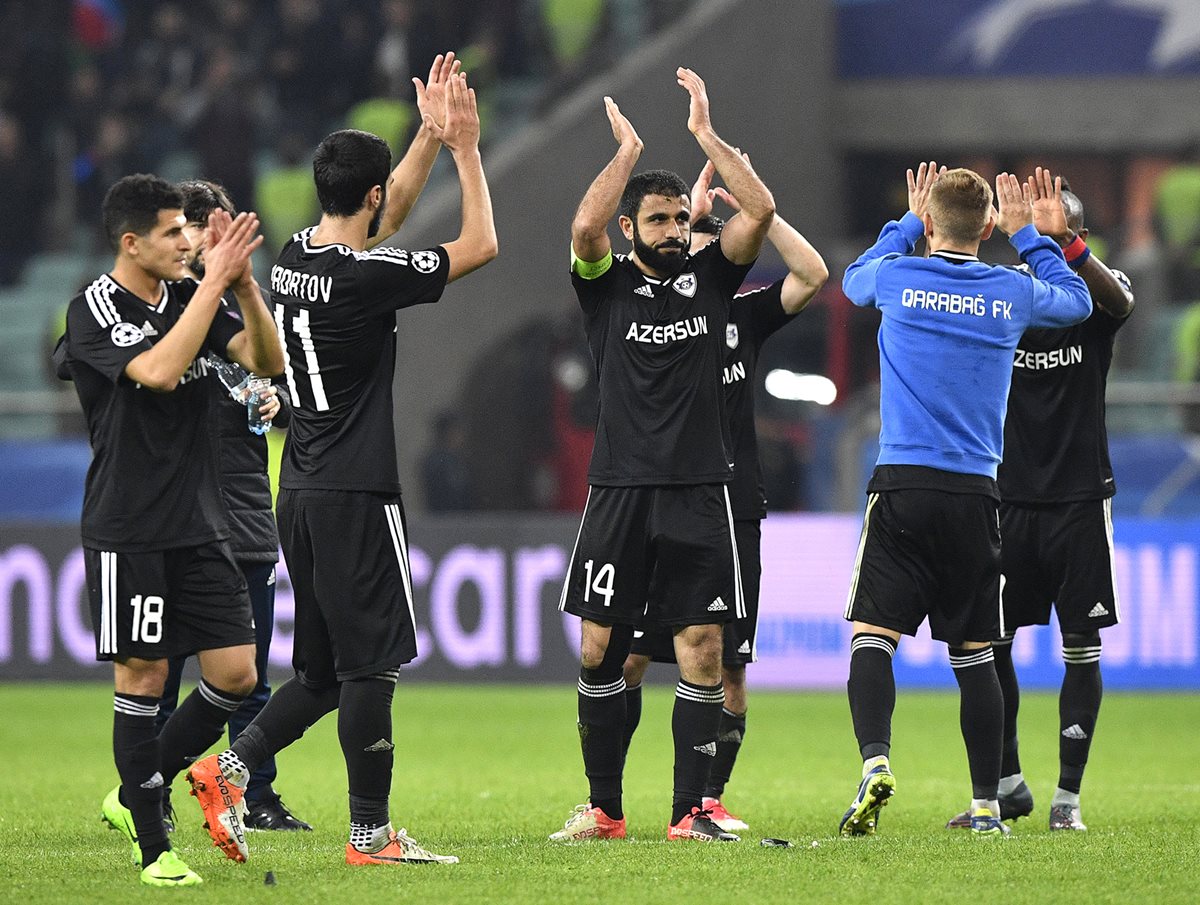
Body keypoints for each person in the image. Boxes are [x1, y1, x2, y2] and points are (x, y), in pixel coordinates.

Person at [185, 53, 497, 867]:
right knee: (374, 668)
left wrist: (423, 135)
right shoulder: (365, 277)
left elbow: (380, 215)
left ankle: (226, 771)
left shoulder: (293, 256)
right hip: (358, 491)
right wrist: (463, 145)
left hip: (303, 488)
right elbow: (481, 244)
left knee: (321, 676)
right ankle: (371, 834)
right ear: (365, 192)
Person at [549, 68, 775, 844]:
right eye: (658, 219)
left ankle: (690, 812)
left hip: (700, 493)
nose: (676, 230)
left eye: (681, 218)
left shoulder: (713, 280)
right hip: (618, 491)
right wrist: (629, 152)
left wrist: (710, 137)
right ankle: (605, 807)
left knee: (703, 647)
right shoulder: (603, 288)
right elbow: (581, 231)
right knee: (599, 645)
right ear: (631, 227)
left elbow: (763, 210)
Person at [839, 163, 1091, 838]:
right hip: (976, 492)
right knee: (976, 649)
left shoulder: (898, 277)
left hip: (901, 485)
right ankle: (986, 804)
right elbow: (1077, 302)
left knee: (873, 634)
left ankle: (875, 760)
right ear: (986, 225)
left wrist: (904, 224)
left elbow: (852, 278)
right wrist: (1030, 237)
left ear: (930, 221)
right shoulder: (1011, 290)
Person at [56, 173, 283, 887]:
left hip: (199, 521)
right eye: (172, 232)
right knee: (145, 676)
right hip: (131, 526)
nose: (188, 241)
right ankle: (155, 850)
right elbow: (156, 369)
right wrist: (212, 284)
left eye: (191, 229)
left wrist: (242, 285)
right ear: (132, 242)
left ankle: (136, 789)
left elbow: (268, 364)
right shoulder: (95, 306)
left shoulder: (194, 293)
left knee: (235, 675)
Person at [620, 161, 829, 833]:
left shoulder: (743, 314)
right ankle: (605, 798)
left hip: (733, 505)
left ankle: (707, 798)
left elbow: (815, 275)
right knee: (626, 657)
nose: (701, 240)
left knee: (730, 669)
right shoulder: (654, 311)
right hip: (660, 498)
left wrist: (750, 204)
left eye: (709, 230)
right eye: (692, 229)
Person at [945, 169, 1135, 833]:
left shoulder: (1098, 302)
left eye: (1069, 229)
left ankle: (1068, 800)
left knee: (1080, 644)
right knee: (990, 642)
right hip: (1008, 502)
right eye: (1046, 229)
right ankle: (1006, 783)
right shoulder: (1007, 304)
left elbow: (1119, 303)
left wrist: (1057, 241)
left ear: (1078, 239)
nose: (1057, 240)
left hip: (1081, 499)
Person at [152, 179, 310, 834]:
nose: (203, 241)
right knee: (159, 672)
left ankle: (257, 794)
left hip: (244, 509)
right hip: (170, 511)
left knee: (251, 674)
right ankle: (150, 790)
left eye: (216, 227)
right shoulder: (154, 309)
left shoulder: (247, 304)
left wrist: (281, 401)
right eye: (194, 228)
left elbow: (288, 380)